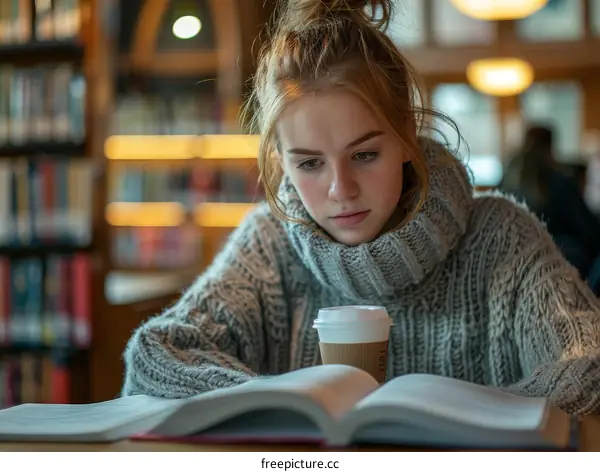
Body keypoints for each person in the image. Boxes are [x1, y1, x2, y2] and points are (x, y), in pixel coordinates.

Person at [122, 0, 600, 415]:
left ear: (407, 141)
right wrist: (287, 402)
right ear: (280, 163)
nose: (340, 189)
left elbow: (589, 366)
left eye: (365, 155)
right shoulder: (268, 243)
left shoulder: (502, 238)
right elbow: (156, 356)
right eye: (310, 163)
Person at [501, 125, 600, 293]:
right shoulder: (559, 183)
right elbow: (588, 230)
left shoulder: (508, 180)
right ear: (550, 147)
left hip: (512, 266)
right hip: (558, 270)